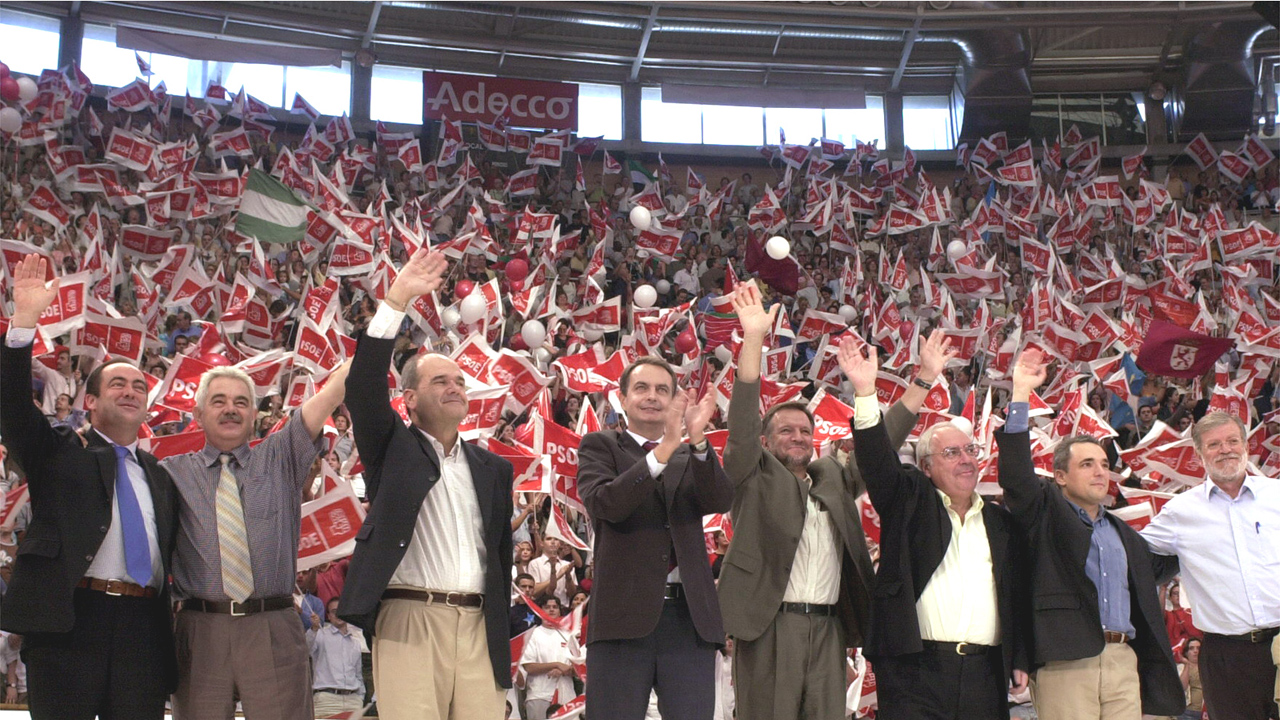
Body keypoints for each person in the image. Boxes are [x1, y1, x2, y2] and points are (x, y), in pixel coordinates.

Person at [717, 284, 942, 720]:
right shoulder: (752, 475)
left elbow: (879, 448)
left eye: (806, 431)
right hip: (768, 625)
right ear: (766, 441)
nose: (798, 437)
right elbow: (741, 425)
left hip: (830, 628)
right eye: (786, 431)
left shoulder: (832, 477)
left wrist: (923, 380)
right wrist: (754, 338)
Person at [336, 247, 515, 720]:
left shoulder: (494, 469)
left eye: (459, 381)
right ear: (409, 399)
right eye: (440, 381)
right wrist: (396, 300)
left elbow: (500, 556)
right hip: (409, 619)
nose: (455, 386)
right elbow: (363, 386)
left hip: (480, 626)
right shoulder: (391, 447)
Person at [0, 254, 179, 720]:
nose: (131, 391)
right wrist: (24, 322)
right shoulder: (59, 451)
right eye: (118, 384)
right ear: (91, 400)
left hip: (143, 631)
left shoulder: (160, 476)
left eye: (139, 387)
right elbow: (13, 409)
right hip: (69, 623)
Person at [843, 336, 1030, 720]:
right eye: (951, 452)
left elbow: (1015, 594)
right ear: (926, 467)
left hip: (985, 673)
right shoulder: (909, 501)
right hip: (914, 671)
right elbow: (876, 461)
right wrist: (866, 393)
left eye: (970, 451)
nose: (966, 460)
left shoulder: (1000, 523)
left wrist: (1020, 656)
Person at [996, 348, 1183, 719]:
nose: (1100, 472)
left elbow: (1158, 570)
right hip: (1066, 663)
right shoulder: (1044, 513)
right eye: (1086, 464)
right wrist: (1020, 394)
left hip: (1123, 661)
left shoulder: (1123, 532)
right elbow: (1016, 476)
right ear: (1060, 476)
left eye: (1103, 464)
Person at [161, 359, 349, 720]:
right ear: (198, 415)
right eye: (218, 401)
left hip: (272, 624)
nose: (230, 409)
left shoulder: (281, 457)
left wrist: (380, 329)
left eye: (241, 402)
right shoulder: (171, 472)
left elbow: (330, 395)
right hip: (200, 630)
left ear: (253, 416)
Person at [577, 353, 733, 720]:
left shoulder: (691, 453)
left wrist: (697, 439)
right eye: (642, 388)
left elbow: (720, 499)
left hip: (689, 620)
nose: (652, 396)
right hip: (622, 619)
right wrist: (665, 448)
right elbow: (607, 503)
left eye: (662, 390)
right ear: (622, 397)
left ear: (674, 399)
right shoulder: (601, 446)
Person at [1140, 411, 1280, 720]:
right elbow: (1132, 553)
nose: (1225, 450)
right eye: (1214, 444)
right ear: (1199, 453)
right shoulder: (1179, 512)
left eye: (1232, 441)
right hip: (1225, 657)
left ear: (1246, 445)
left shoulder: (1277, 496)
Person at [519, 597, 582, 720]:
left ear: (559, 610)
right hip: (540, 694)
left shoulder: (568, 635)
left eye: (555, 607)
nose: (551, 610)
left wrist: (564, 670)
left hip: (567, 694)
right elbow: (529, 667)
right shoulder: (532, 635)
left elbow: (580, 668)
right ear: (540, 611)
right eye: (547, 607)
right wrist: (557, 664)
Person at [307, 598, 367, 717]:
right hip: (327, 700)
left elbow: (358, 673)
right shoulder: (320, 635)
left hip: (353, 701)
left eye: (341, 610)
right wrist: (314, 628)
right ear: (329, 616)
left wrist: (360, 697)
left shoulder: (355, 642)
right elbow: (305, 649)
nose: (338, 614)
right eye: (334, 611)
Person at [528, 537, 576, 605]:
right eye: (549, 539)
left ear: (559, 543)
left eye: (556, 539)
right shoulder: (535, 563)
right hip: (541, 607)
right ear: (542, 543)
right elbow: (534, 592)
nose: (553, 542)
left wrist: (568, 576)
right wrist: (558, 576)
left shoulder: (567, 564)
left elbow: (572, 595)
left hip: (563, 607)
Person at [1180, 637, 1205, 720]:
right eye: (1191, 648)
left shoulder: (1208, 667)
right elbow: (1182, 687)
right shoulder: (1181, 667)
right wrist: (1187, 665)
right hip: (1188, 712)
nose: (1195, 651)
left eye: (1198, 648)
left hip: (1206, 711)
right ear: (1186, 652)